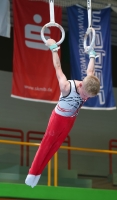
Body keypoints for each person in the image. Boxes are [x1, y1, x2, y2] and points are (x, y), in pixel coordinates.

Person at [25, 39, 100, 188]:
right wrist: (53, 49)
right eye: (86, 95)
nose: (86, 98)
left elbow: (91, 70)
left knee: (56, 146)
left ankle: (37, 174)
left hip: (71, 120)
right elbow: (57, 67)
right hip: (58, 118)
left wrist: (92, 55)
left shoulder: (89, 80)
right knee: (47, 144)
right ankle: (33, 173)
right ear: (81, 86)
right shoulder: (66, 86)